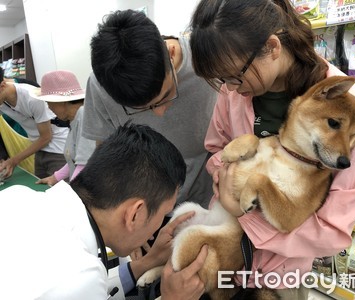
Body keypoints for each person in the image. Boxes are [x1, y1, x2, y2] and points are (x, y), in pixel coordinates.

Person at [189, 0, 355, 299]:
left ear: (273, 47)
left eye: (235, 76)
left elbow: (333, 230)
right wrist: (223, 174)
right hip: (224, 256)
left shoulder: (345, 110)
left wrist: (247, 216)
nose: (231, 88)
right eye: (223, 79)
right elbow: (217, 147)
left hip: (280, 279)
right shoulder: (234, 92)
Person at [83, 10, 217, 296]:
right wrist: (131, 231)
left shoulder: (208, 61)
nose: (159, 113)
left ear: (170, 52)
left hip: (207, 209)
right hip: (145, 216)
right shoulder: (101, 85)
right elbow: (107, 154)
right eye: (142, 109)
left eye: (166, 96)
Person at [0, 123, 208, 300]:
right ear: (135, 213)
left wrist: (147, 262)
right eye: (164, 214)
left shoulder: (17, 195)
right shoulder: (79, 277)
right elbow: (82, 283)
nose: (158, 227)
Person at [30, 70, 96, 185]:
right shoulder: (74, 119)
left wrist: (73, 191)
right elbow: (74, 159)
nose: (49, 107)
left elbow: (84, 164)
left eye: (48, 102)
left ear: (62, 102)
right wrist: (55, 177)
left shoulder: (83, 115)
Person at [0, 67, 68, 178]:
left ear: (2, 86)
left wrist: (13, 161)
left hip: (59, 149)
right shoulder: (2, 101)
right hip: (39, 149)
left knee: (61, 191)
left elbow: (46, 137)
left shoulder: (32, 97)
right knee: (41, 188)